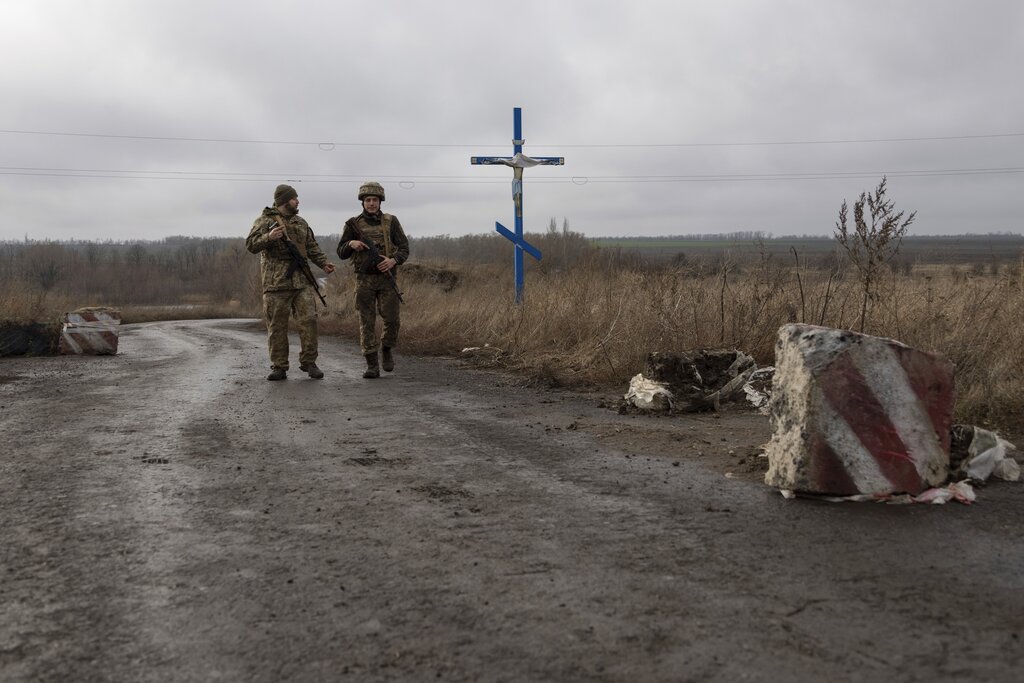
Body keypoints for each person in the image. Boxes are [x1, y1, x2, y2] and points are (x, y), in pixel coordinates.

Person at [246, 184, 335, 381]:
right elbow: (251, 244)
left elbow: (311, 246)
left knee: (309, 321)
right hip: (276, 284)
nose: (298, 201)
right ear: (285, 201)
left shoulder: (301, 222)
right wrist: (268, 237)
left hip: (301, 282)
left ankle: (309, 362)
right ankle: (279, 367)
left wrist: (324, 263)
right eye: (295, 198)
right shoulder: (264, 221)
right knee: (277, 326)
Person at [336, 181, 409, 379]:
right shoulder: (353, 224)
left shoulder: (391, 221)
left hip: (387, 279)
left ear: (380, 202)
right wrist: (351, 243)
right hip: (364, 280)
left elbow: (404, 248)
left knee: (392, 320)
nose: (371, 203)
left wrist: (393, 261)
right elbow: (341, 252)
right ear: (362, 202)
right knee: (366, 322)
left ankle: (386, 349)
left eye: (374, 200)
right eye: (367, 200)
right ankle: (371, 365)